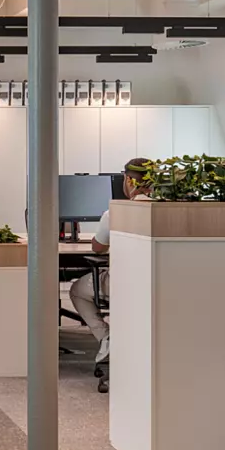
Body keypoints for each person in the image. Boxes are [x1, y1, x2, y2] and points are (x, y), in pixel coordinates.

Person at [70, 158, 150, 393]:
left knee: (77, 290)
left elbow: (97, 248)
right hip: (154, 285)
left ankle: (106, 337)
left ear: (127, 179)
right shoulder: (165, 208)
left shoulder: (116, 211)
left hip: (121, 283)